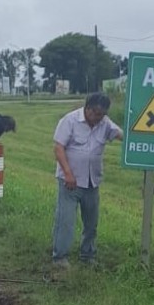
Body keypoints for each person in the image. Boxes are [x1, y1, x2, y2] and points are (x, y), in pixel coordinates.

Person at [51, 93, 122, 267]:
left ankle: (87, 255)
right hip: (70, 181)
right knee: (66, 221)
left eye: (102, 114)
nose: (98, 118)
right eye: (96, 113)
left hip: (92, 181)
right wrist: (68, 173)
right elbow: (58, 148)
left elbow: (121, 135)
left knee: (91, 222)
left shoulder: (105, 123)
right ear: (87, 108)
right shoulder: (70, 120)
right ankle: (60, 257)